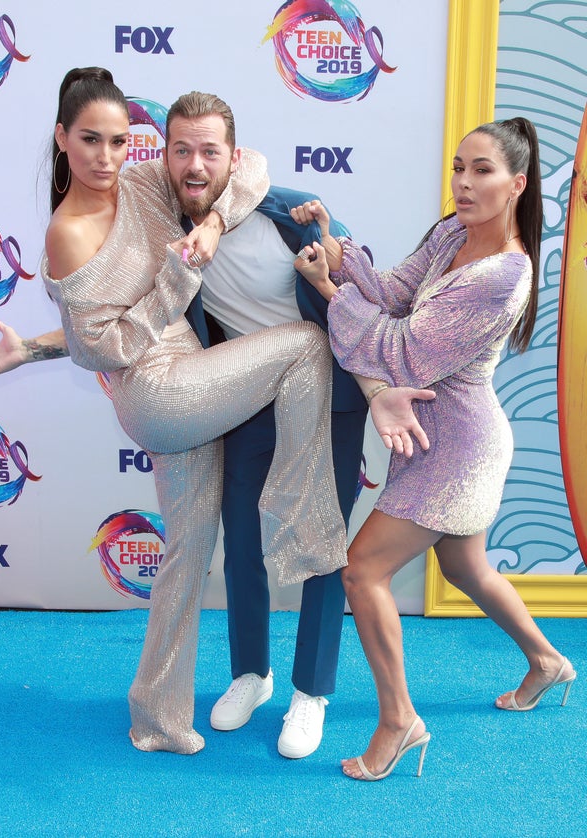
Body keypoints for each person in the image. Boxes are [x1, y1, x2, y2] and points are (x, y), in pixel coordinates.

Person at [0, 83, 433, 759]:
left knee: (293, 531)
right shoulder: (140, 219)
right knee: (246, 537)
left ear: (230, 159)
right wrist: (41, 344)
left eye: (209, 152)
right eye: (180, 150)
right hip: (219, 393)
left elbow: (350, 309)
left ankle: (295, 695)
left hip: (326, 392)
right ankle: (250, 672)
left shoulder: (283, 215)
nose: (194, 167)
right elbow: (109, 328)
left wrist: (380, 388)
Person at [293, 117, 576, 781]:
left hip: (458, 451)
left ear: (518, 185)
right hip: (434, 437)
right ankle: (547, 662)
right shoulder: (452, 231)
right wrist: (339, 250)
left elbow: (406, 353)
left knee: (361, 570)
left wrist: (331, 293)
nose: (465, 183)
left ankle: (399, 722)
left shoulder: (504, 276)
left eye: (482, 170)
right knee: (465, 568)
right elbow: (392, 293)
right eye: (459, 167)